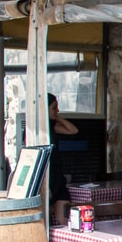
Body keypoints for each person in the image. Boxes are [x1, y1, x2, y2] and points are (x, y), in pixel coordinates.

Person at [48, 93, 80, 223]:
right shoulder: (36, 130)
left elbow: (73, 130)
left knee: (65, 220)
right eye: (54, 108)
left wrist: (57, 117)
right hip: (47, 179)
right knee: (46, 219)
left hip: (58, 178)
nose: (57, 110)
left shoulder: (53, 126)